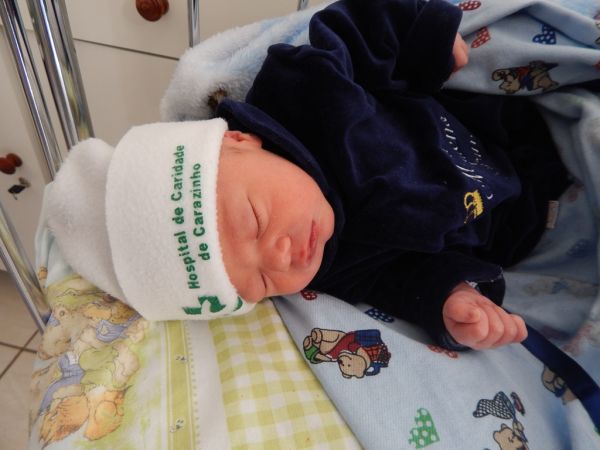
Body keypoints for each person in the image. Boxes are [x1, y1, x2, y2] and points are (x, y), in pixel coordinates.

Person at [212, 0, 570, 350]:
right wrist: (451, 296)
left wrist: (422, 35)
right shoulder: (333, 270)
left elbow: (355, 32)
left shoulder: (300, 95)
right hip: (522, 218)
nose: (280, 260)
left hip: (496, 117)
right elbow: (400, 281)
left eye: (255, 220)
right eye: (262, 282)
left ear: (239, 141)